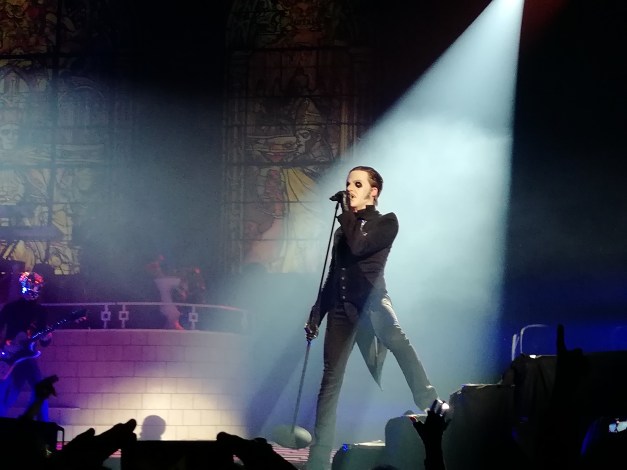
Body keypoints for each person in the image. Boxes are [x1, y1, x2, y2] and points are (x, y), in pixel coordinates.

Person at [304, 166, 439, 470]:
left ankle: (431, 403)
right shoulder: (343, 230)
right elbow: (332, 276)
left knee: (398, 342)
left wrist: (346, 214)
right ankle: (318, 456)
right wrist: (316, 315)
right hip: (341, 310)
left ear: (373, 191)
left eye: (357, 184)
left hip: (373, 303)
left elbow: (360, 246)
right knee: (330, 380)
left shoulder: (387, 222)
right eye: (348, 183)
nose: (349, 189)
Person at [0, 271, 51, 421]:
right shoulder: (10, 308)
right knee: (7, 392)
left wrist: (47, 338)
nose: (34, 290)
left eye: (37, 287)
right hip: (10, 356)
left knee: (40, 389)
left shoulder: (40, 311)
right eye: (32, 286)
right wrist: (4, 346)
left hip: (28, 356)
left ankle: (43, 425)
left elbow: (44, 341)